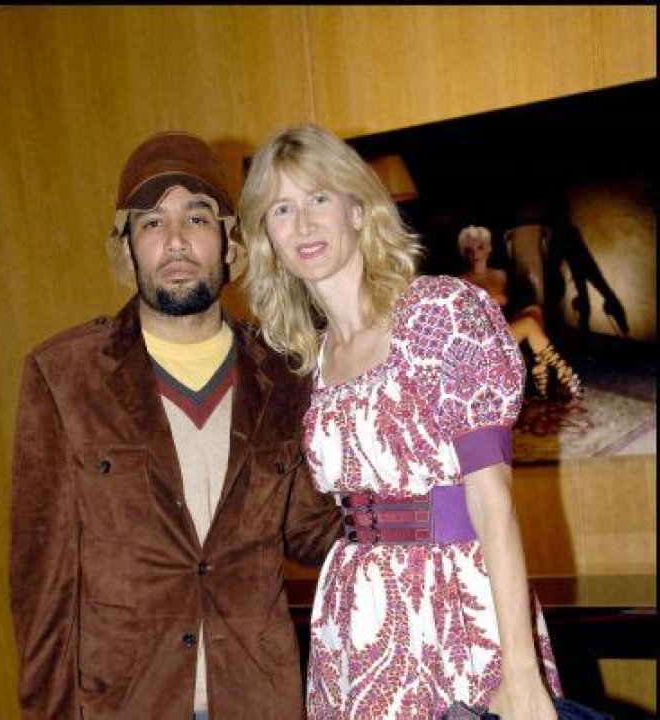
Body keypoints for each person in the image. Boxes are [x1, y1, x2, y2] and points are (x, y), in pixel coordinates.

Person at [9, 130, 342, 720]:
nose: (177, 241)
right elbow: (43, 589)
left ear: (230, 243)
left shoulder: (286, 374)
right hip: (127, 702)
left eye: (196, 217)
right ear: (127, 250)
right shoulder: (65, 378)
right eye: (152, 223)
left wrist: (422, 508)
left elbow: (312, 532)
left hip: (258, 700)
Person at [239, 123, 562, 720]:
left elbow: (492, 501)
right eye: (281, 209)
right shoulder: (312, 359)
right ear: (268, 237)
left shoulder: (439, 311)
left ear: (358, 210)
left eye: (318, 198)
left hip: (454, 606)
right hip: (353, 618)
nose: (303, 224)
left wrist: (520, 673)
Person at [457, 225, 583, 400]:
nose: (475, 254)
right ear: (464, 253)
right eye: (469, 250)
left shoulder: (501, 275)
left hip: (505, 329)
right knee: (529, 324)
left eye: (479, 247)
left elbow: (516, 305)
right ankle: (564, 373)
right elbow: (464, 320)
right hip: (484, 338)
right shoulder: (462, 281)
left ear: (489, 248)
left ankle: (541, 375)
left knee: (534, 311)